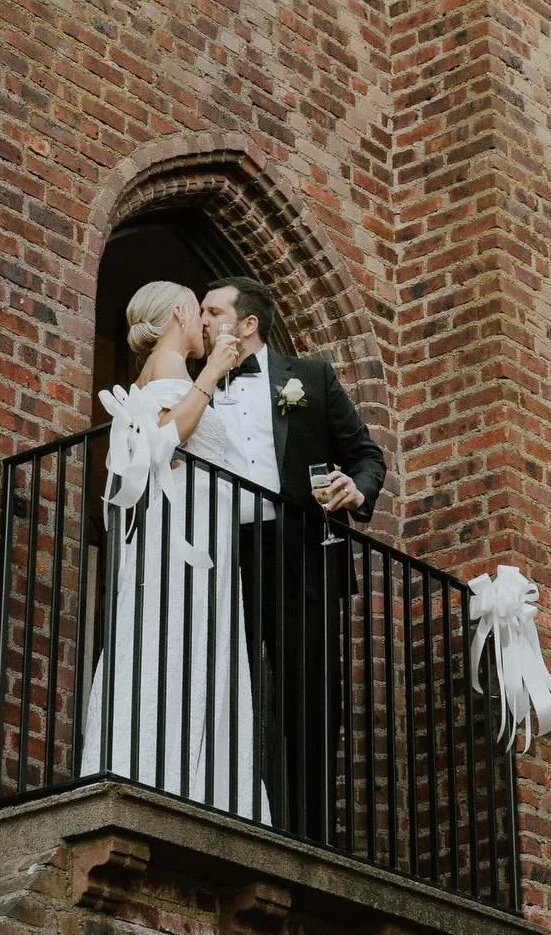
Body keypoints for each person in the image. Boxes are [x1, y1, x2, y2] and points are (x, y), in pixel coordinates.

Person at [201, 277, 386, 842]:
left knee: (308, 692)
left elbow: (366, 455)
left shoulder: (310, 377)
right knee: (219, 681)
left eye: (212, 311)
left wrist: (355, 489)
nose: (201, 320)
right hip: (219, 552)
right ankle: (220, 813)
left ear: (247, 324)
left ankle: (311, 832)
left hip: (300, 551)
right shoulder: (193, 382)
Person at [79, 282, 268, 818]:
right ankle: (173, 776)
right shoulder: (170, 371)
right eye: (198, 310)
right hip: (187, 540)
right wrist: (211, 376)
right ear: (181, 313)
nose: (205, 322)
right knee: (183, 636)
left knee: (175, 637)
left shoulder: (155, 372)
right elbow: (167, 434)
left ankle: (181, 773)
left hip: (194, 532)